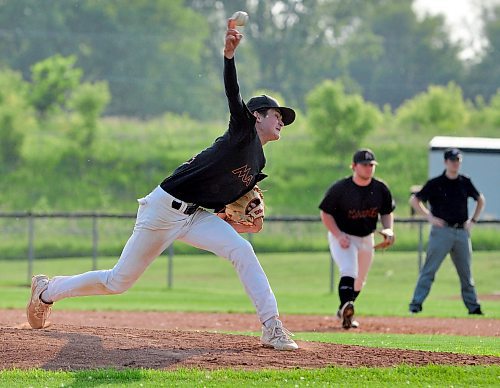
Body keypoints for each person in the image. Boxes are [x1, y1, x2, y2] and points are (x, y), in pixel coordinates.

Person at [26, 17, 298, 351]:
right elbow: (233, 93)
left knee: (242, 249)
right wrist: (229, 56)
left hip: (194, 216)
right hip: (163, 209)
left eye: (283, 117)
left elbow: (220, 205)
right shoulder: (242, 130)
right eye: (276, 113)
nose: (282, 119)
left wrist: (238, 224)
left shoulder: (259, 162)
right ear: (256, 115)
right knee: (117, 282)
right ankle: (47, 290)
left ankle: (272, 327)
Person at [319, 149, 395, 329]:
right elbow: (326, 213)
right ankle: (347, 307)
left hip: (366, 237)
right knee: (349, 270)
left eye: (371, 165)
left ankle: (344, 309)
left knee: (360, 280)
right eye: (364, 164)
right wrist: (338, 235)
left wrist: (388, 229)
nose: (368, 168)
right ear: (354, 166)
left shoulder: (380, 188)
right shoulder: (341, 188)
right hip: (344, 236)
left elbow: (386, 212)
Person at [408, 148, 485, 315]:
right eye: (452, 160)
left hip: (461, 232)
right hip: (441, 232)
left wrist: (473, 220)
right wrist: (430, 217)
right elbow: (414, 200)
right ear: (445, 162)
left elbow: (480, 199)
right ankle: (416, 304)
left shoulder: (465, 181)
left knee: (466, 273)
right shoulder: (436, 183)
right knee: (429, 270)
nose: (455, 163)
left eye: (457, 160)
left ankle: (473, 307)